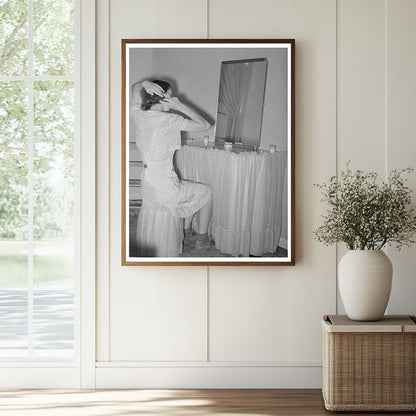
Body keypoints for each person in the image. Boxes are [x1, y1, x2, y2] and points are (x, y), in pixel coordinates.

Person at [131, 79, 213, 256]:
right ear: (160, 96)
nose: (173, 97)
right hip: (163, 184)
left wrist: (144, 83)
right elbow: (206, 125)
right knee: (207, 191)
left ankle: (186, 226)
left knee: (157, 213)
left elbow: (134, 88)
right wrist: (181, 106)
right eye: (170, 94)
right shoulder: (169, 120)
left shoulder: (139, 115)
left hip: (147, 181)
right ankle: (202, 236)